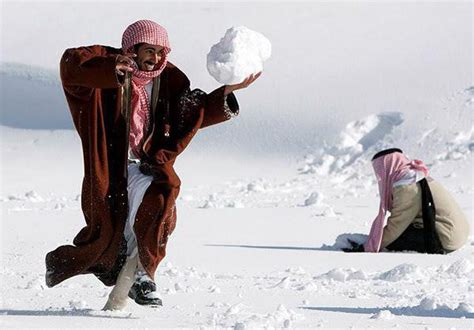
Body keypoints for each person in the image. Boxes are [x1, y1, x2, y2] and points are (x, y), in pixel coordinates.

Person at [45, 20, 260, 310]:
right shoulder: (108, 73)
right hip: (110, 170)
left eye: (161, 51)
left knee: (158, 207)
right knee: (108, 240)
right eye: (149, 50)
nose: (156, 58)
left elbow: (191, 112)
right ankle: (70, 266)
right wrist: (110, 70)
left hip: (148, 168)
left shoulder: (169, 79)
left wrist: (226, 91)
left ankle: (143, 278)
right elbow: (71, 66)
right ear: (132, 49)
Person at [343, 148, 469, 254]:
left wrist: (368, 247)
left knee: (394, 241)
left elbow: (397, 224)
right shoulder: (414, 176)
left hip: (447, 236)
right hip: (453, 233)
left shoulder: (406, 185)